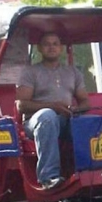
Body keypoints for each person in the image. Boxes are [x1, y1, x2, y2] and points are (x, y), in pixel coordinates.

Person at [16, 32, 89, 190]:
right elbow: (21, 105)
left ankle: (88, 170)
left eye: (55, 44)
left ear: (61, 48)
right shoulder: (31, 72)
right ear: (40, 48)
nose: (52, 47)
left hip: (64, 119)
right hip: (35, 122)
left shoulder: (73, 72)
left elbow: (85, 101)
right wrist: (52, 106)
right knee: (48, 116)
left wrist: (76, 109)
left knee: (88, 122)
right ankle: (48, 177)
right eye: (47, 44)